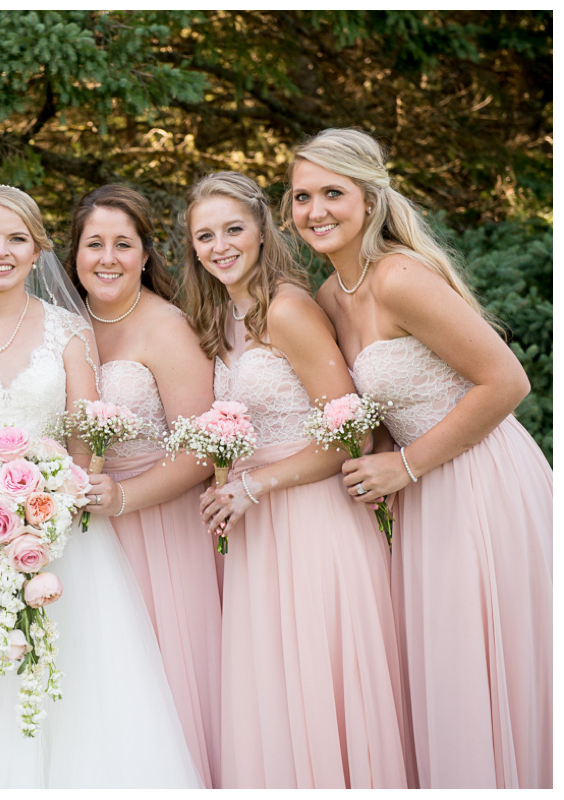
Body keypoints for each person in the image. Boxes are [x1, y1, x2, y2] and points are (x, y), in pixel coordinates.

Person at [0, 185, 203, 789]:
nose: (1, 251)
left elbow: (85, 436)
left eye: (17, 239)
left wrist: (55, 504)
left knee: (77, 686)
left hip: (63, 538)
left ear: (37, 251)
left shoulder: (69, 332)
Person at [286, 128, 552, 789]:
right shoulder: (327, 297)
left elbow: (507, 383)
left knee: (485, 656)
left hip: (479, 477)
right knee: (448, 667)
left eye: (332, 193)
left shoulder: (400, 278)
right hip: (423, 490)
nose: (314, 210)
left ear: (370, 199)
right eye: (300, 197)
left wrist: (403, 468)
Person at [184, 171, 410, 788]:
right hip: (260, 527)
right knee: (275, 692)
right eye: (205, 235)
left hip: (313, 521)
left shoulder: (287, 308)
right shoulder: (224, 318)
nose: (220, 245)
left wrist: (254, 486)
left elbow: (350, 436)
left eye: (234, 229)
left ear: (263, 229)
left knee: (319, 681)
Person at [64, 184, 221, 786]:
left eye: (122, 244)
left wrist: (124, 498)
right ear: (74, 253)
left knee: (163, 683)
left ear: (145, 255)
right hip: (80, 539)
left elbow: (203, 449)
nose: (107, 258)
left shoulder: (166, 327)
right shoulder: (60, 326)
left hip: (157, 531)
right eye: (94, 243)